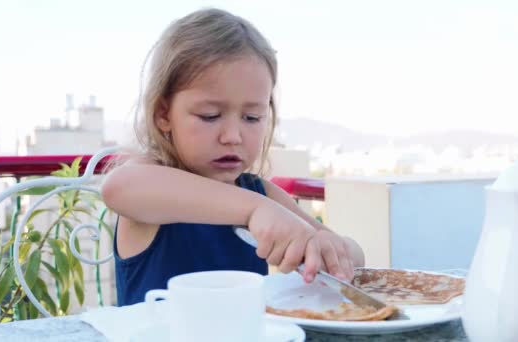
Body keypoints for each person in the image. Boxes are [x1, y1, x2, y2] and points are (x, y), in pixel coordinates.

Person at [101, 8, 365, 306]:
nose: (233, 136)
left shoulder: (259, 192)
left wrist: (328, 247)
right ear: (164, 114)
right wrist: (255, 210)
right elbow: (118, 187)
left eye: (252, 117)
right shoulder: (153, 183)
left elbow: (355, 256)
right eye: (210, 116)